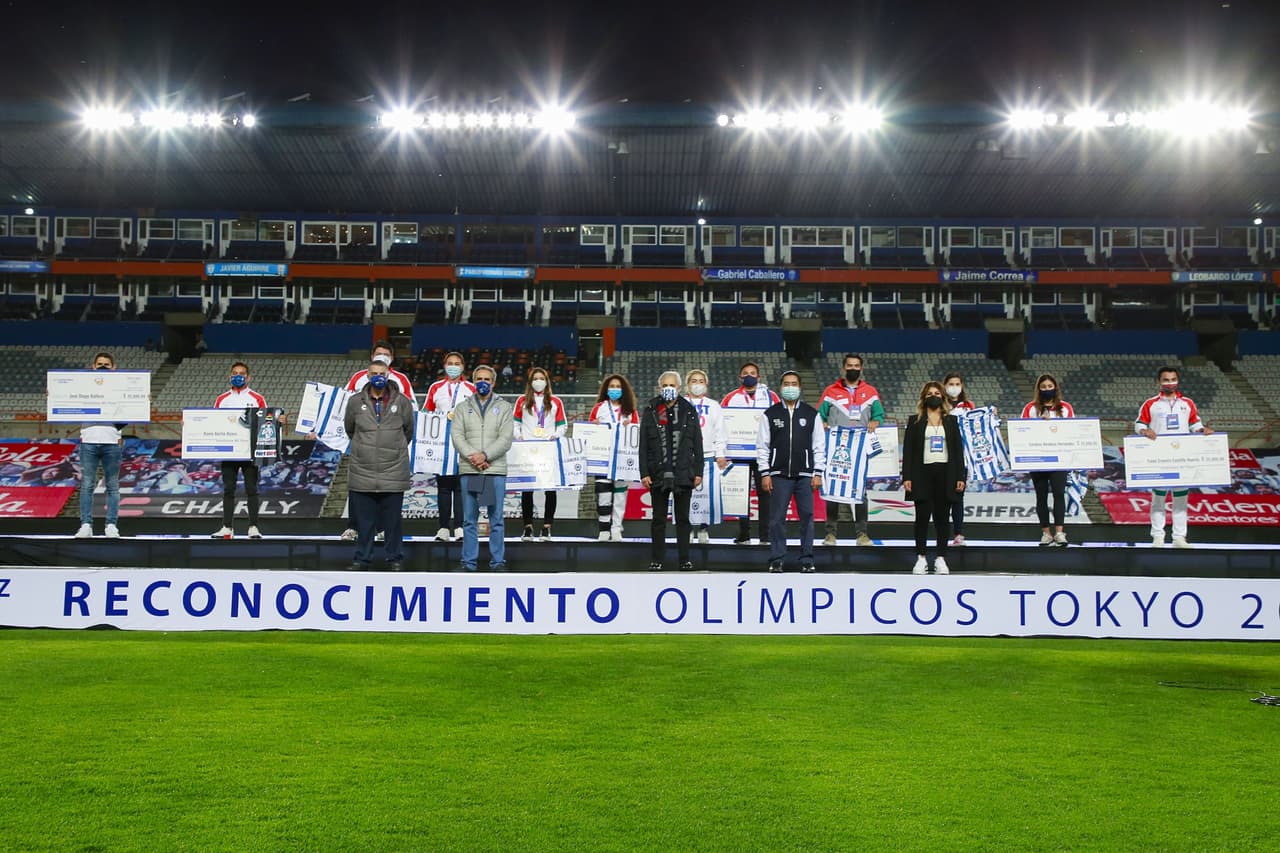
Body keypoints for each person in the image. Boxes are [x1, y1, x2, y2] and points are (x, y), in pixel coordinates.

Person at [339, 340, 416, 541]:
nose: (382, 357)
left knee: (387, 493)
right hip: (363, 444)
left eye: (386, 354)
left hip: (390, 449)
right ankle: (354, 526)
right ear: (372, 357)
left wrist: (395, 441)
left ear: (392, 359)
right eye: (378, 353)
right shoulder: (357, 377)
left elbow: (410, 415)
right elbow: (345, 407)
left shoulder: (402, 380)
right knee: (358, 489)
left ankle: (383, 529)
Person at [1136, 365, 1213, 548]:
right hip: (1159, 457)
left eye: (1173, 379)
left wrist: (1202, 430)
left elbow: (1195, 424)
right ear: (1158, 382)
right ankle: (1158, 537)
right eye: (1166, 380)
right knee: (1158, 499)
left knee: (1180, 499)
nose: (1170, 383)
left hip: (1182, 457)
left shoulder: (1187, 403)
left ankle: (1179, 538)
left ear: (1177, 381)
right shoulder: (1150, 403)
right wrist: (1145, 430)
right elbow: (1138, 423)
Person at [757, 371, 824, 573]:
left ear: (800, 387)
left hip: (805, 475)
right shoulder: (770, 414)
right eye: (787, 383)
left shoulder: (812, 414)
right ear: (781, 387)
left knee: (807, 518)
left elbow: (819, 445)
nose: (790, 387)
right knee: (777, 519)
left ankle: (807, 559)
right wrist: (765, 472)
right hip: (778, 475)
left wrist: (818, 472)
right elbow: (762, 446)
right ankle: (777, 559)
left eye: (794, 383)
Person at [451, 364, 515, 572]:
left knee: (496, 520)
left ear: (494, 382)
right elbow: (457, 436)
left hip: (494, 470)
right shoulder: (462, 407)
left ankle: (497, 562)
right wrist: (475, 458)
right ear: (473, 381)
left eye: (487, 379)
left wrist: (485, 456)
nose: (483, 383)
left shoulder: (504, 407)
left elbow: (506, 439)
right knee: (469, 520)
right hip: (471, 470)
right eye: (479, 379)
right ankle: (469, 562)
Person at [639, 371, 705, 571]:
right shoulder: (651, 409)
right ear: (660, 389)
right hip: (658, 473)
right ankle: (657, 559)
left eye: (672, 385)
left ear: (679, 388)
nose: (668, 389)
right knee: (658, 519)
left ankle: (684, 559)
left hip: (684, 473)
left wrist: (699, 471)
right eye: (665, 385)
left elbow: (697, 444)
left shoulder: (689, 410)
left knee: (683, 519)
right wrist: (644, 472)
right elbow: (643, 445)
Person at [818, 354, 884, 547]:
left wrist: (875, 421)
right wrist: (823, 424)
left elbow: (879, 414)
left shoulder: (870, 392)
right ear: (844, 368)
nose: (853, 368)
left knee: (860, 492)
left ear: (861, 369)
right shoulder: (830, 391)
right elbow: (820, 415)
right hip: (836, 447)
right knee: (833, 490)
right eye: (849, 365)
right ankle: (830, 535)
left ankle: (862, 535)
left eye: (856, 365)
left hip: (860, 449)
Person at [902, 382, 966, 574]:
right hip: (922, 475)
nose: (933, 396)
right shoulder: (915, 420)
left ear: (943, 397)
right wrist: (907, 476)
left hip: (946, 474)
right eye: (930, 393)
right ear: (924, 397)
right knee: (922, 517)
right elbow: (909, 451)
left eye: (937, 393)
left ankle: (941, 558)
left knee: (942, 519)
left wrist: (960, 476)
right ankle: (921, 558)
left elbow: (957, 451)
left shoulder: (951, 421)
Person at [721, 361, 779, 545]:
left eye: (753, 372)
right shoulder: (730, 398)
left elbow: (779, 419)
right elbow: (722, 425)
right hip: (739, 454)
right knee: (741, 494)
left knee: (765, 494)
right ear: (740, 377)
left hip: (764, 453)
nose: (749, 375)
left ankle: (765, 535)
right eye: (745, 372)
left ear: (759, 377)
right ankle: (744, 534)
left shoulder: (771, 397)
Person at [423, 351, 475, 542]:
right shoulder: (435, 387)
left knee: (461, 487)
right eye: (450, 363)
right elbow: (426, 414)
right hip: (441, 445)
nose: (453, 366)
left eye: (457, 363)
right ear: (444, 366)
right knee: (444, 488)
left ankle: (460, 526)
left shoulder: (471, 388)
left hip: (464, 443)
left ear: (463, 367)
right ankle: (443, 527)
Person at [212, 362, 267, 540]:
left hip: (249, 451)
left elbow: (266, 421)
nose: (238, 376)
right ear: (229, 376)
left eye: (242, 373)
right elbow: (212, 422)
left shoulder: (257, 398)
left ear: (248, 377)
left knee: (252, 489)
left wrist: (278, 419)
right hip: (228, 451)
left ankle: (253, 527)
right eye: (235, 373)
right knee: (228, 489)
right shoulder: (221, 399)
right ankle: (227, 527)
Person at [1020, 374, 1076, 547]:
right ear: (1038, 389)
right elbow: (1021, 430)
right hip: (1037, 459)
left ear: (1055, 388)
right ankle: (1046, 533)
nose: (1046, 389)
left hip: (1060, 459)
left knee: (1059, 493)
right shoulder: (1030, 408)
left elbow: (1073, 430)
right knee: (1041, 495)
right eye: (1043, 387)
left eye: (1049, 386)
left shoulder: (1065, 408)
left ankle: (1060, 533)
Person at [74, 351, 124, 539]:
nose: (103, 367)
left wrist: (143, 402)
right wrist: (54, 396)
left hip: (112, 440)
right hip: (88, 440)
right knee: (87, 484)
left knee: (112, 485)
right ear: (93, 367)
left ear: (114, 368)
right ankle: (86, 524)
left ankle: (111, 525)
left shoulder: (122, 389)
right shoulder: (83, 387)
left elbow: (131, 410)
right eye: (100, 364)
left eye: (107, 364)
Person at [514, 367, 568, 542]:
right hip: (527, 450)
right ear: (530, 382)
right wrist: (519, 437)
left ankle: (547, 528)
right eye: (535, 378)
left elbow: (563, 425)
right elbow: (515, 424)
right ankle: (528, 527)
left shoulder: (555, 402)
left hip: (548, 449)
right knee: (527, 489)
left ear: (546, 381)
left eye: (541, 378)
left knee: (550, 489)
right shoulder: (521, 401)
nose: (538, 381)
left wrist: (555, 436)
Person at [589, 374, 640, 541]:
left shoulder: (630, 411)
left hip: (622, 459)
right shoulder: (599, 407)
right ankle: (604, 529)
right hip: (602, 458)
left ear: (623, 389)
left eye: (618, 386)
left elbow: (637, 434)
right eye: (612, 386)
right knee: (603, 494)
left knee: (619, 495)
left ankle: (616, 527)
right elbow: (589, 432)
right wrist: (594, 426)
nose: (615, 389)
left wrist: (631, 425)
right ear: (606, 389)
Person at [684, 368, 728, 544]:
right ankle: (686, 528)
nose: (697, 384)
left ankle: (703, 528)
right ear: (687, 385)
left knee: (705, 494)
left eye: (701, 381)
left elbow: (720, 432)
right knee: (686, 495)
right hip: (685, 457)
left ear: (706, 384)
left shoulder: (714, 405)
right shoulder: (681, 404)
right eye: (693, 381)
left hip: (708, 455)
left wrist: (720, 454)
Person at [941, 371, 980, 546]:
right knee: (941, 497)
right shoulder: (939, 404)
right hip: (940, 455)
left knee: (958, 496)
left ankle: (958, 534)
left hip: (961, 458)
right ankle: (941, 534)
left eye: (957, 384)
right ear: (945, 386)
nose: (954, 387)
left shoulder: (968, 406)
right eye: (951, 384)